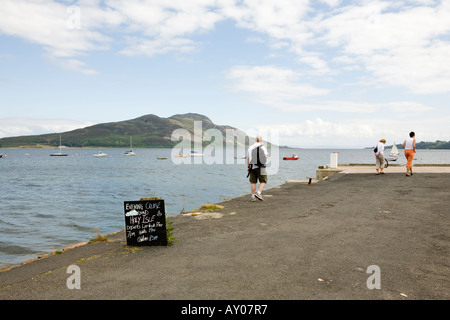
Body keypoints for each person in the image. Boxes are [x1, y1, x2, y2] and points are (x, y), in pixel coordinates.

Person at [247, 136, 269, 201]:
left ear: (255, 140)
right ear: (261, 140)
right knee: (263, 181)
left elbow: (248, 158)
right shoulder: (262, 147)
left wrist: (248, 167)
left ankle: (253, 197)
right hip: (261, 166)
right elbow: (266, 156)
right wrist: (267, 155)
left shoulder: (250, 148)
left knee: (253, 182)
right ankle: (258, 193)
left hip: (252, 167)